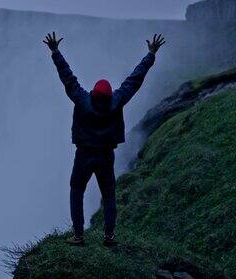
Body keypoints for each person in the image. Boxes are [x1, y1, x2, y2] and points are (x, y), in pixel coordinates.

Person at [43, 32, 165, 246]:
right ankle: (109, 237)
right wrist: (150, 55)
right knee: (108, 195)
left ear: (92, 93)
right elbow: (134, 80)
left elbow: (68, 78)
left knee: (76, 190)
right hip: (105, 155)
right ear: (109, 96)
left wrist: (55, 52)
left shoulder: (83, 100)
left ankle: (79, 236)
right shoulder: (116, 101)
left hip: (83, 154)